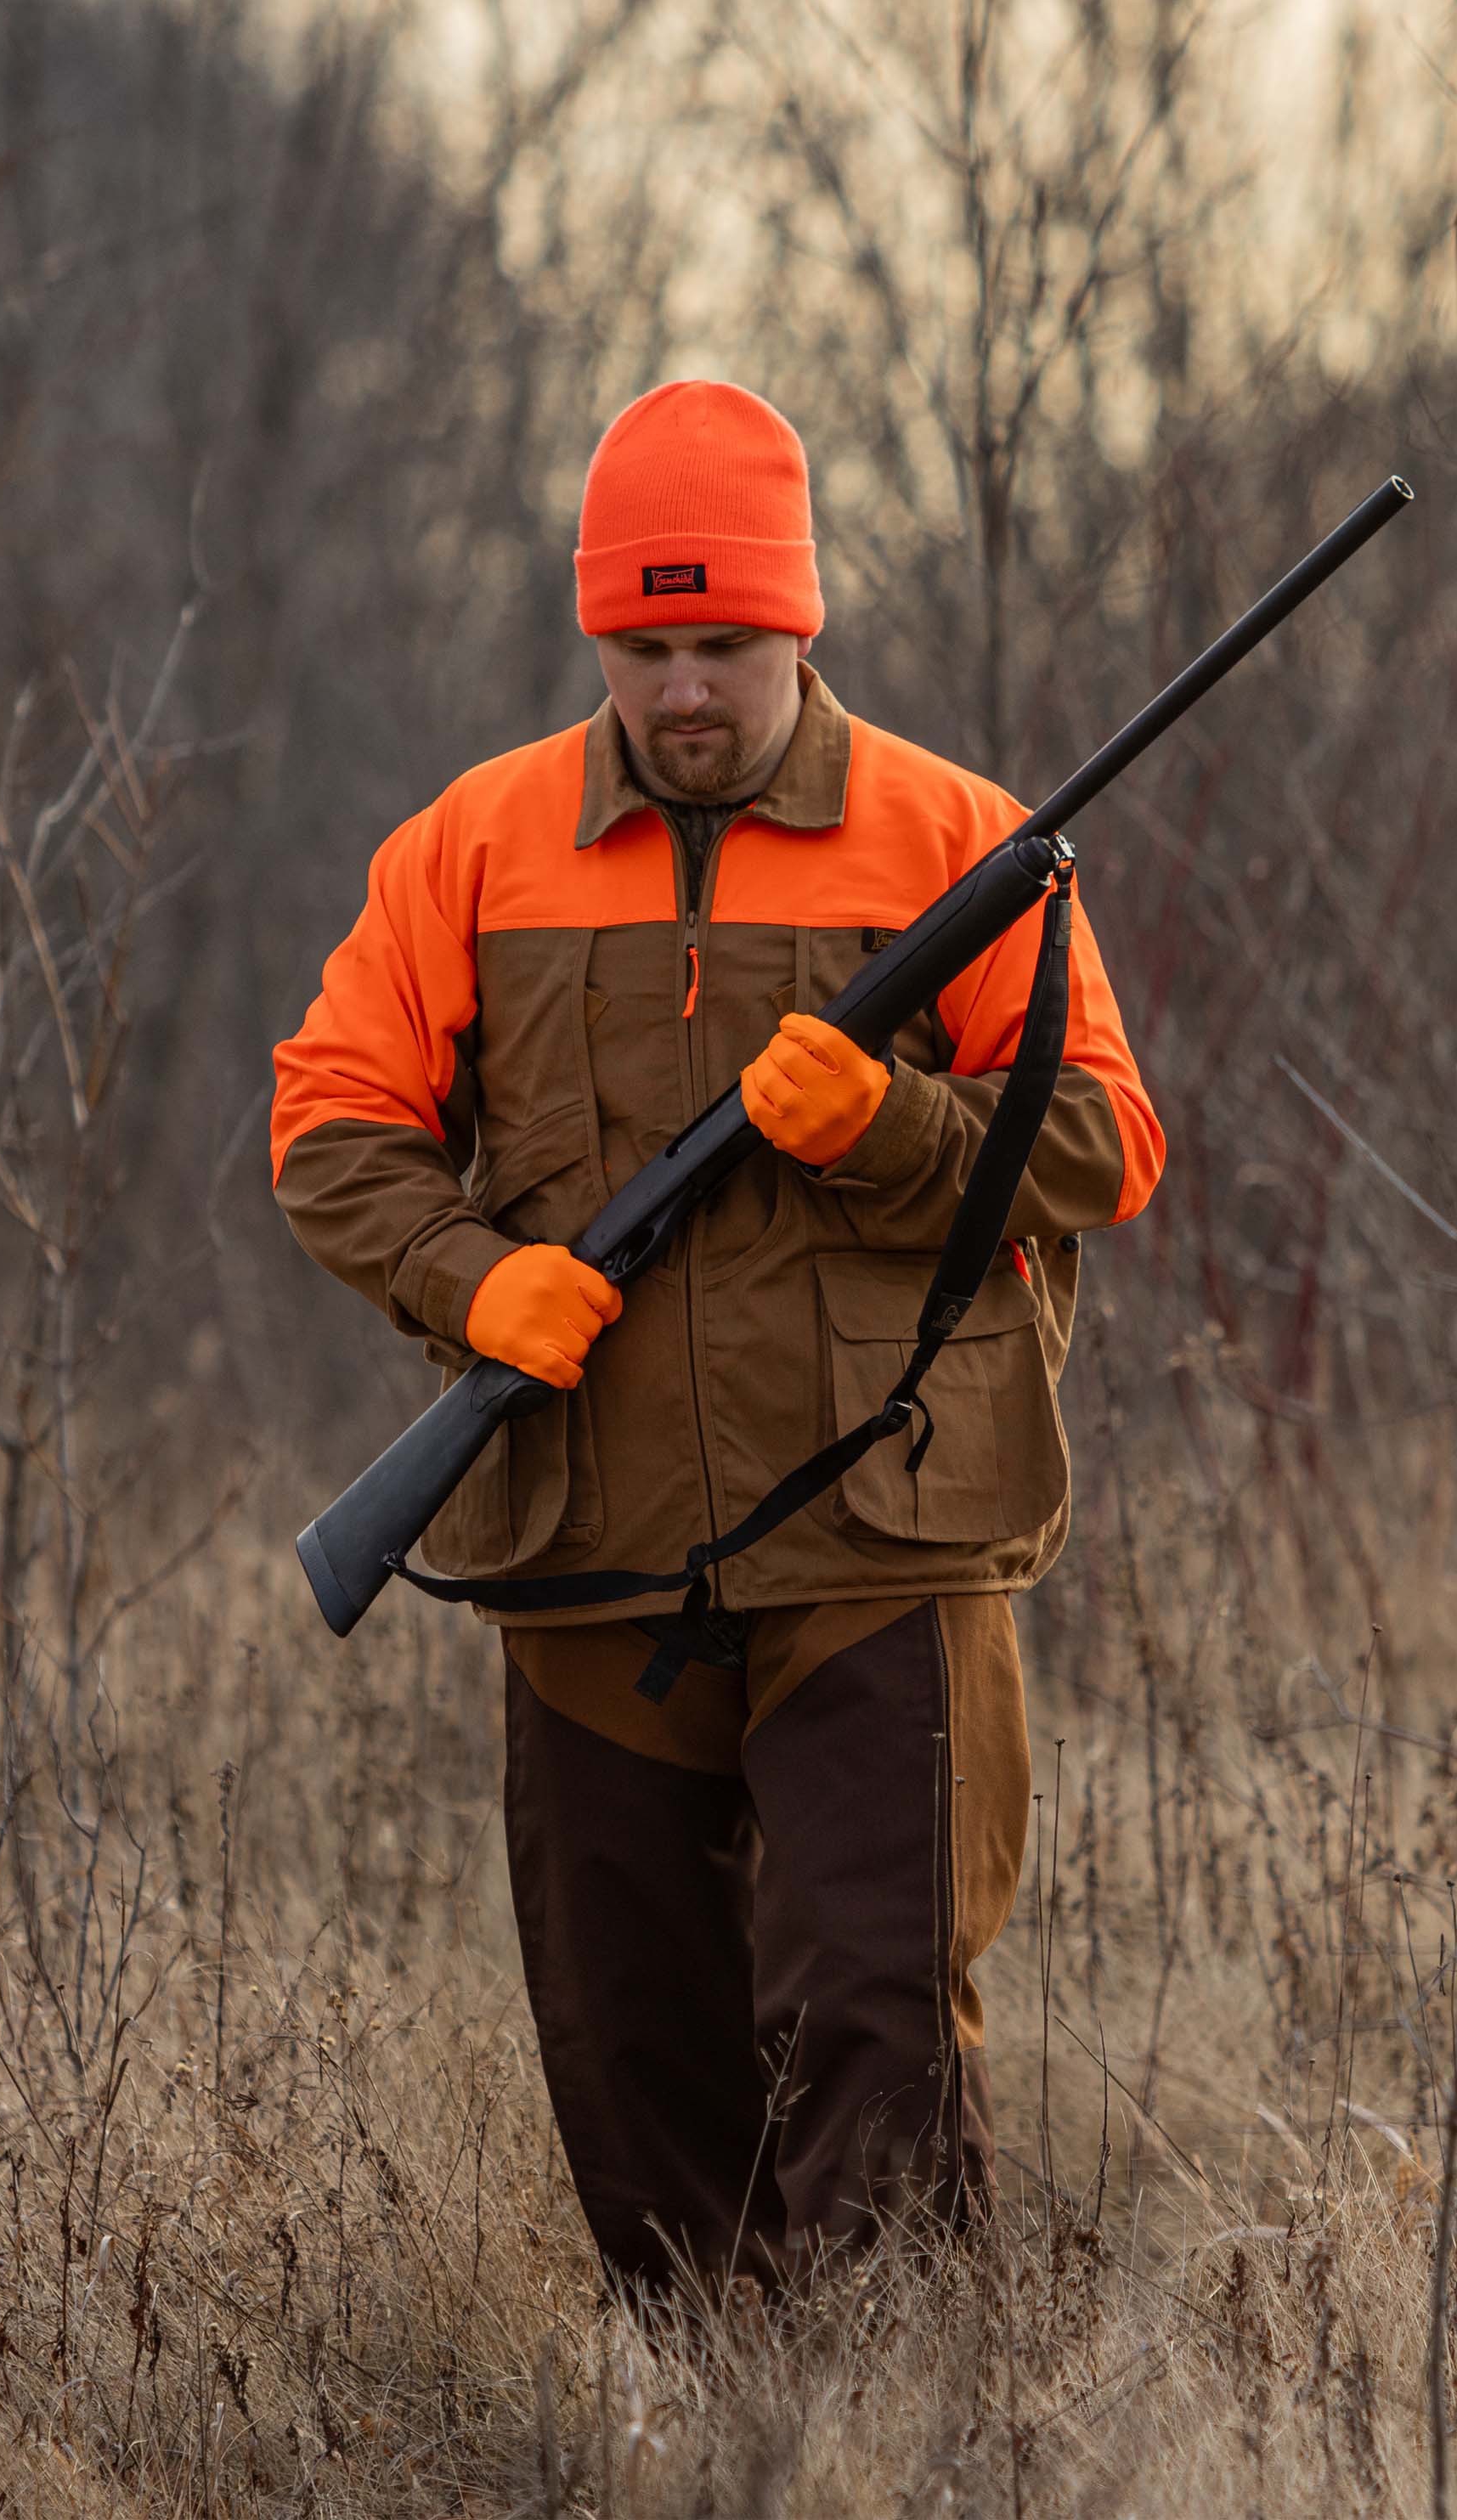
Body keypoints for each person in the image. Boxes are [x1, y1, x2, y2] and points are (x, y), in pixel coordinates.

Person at [269, 381, 1164, 2293]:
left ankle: (909, 2438)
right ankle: (721, 2427)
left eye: (726, 648)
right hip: (588, 1546)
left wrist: (903, 1128)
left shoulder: (958, 836)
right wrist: (464, 1274)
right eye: (645, 645)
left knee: (878, 2007)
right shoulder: (474, 848)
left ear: (801, 629)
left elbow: (1107, 1139)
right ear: (596, 634)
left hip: (882, 1536)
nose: (684, 690)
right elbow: (331, 1123)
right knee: (632, 2046)